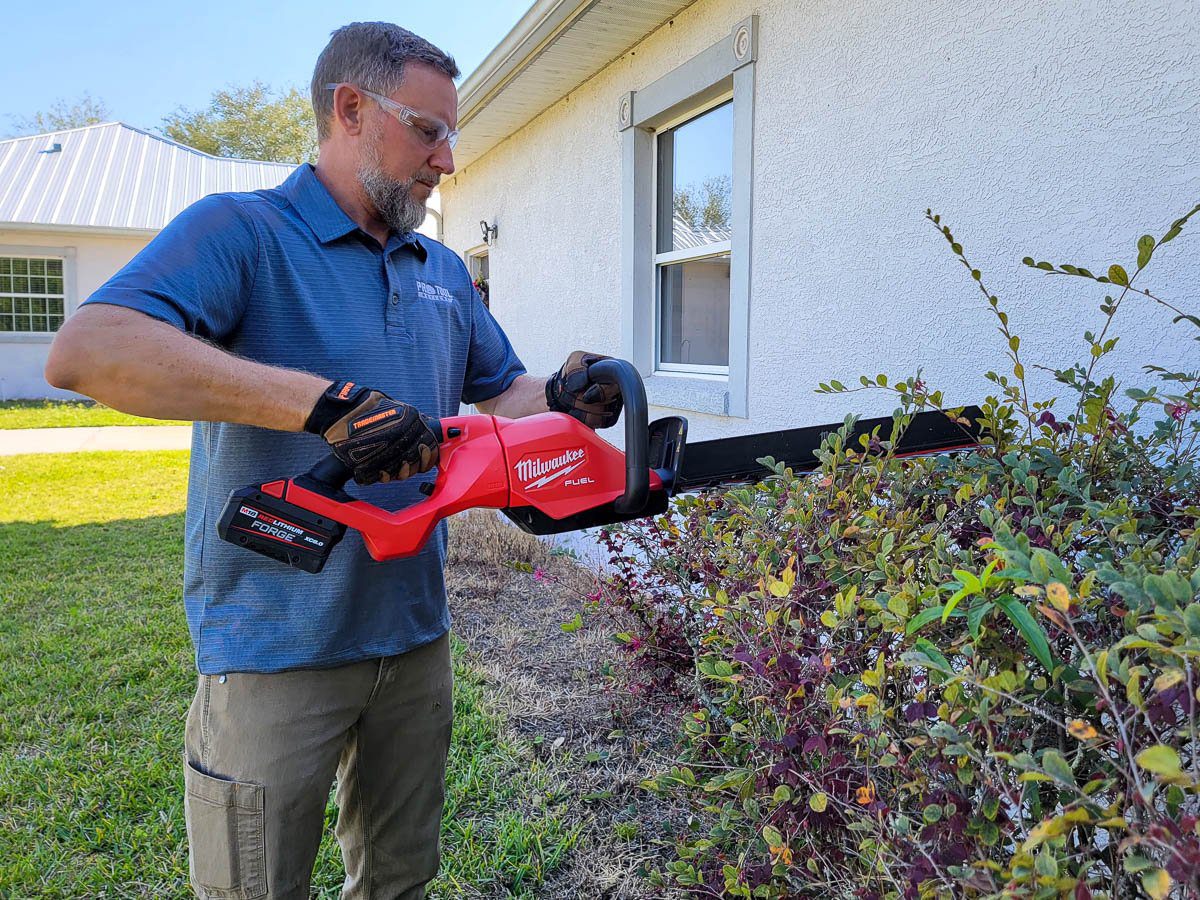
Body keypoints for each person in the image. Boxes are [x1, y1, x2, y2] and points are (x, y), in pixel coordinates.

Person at [44, 21, 622, 900]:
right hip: (277, 644)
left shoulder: (440, 268)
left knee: (399, 878)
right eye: (428, 131)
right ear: (350, 109)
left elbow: (501, 389)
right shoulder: (243, 231)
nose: (449, 160)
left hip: (415, 633)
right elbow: (89, 350)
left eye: (450, 134)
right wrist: (324, 410)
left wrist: (566, 394)